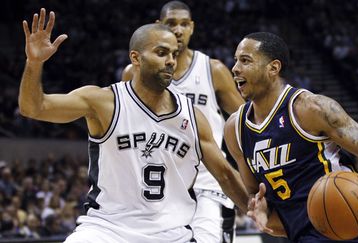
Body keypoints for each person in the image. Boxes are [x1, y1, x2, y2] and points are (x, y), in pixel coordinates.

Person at [19, 8, 248, 243]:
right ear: (136, 58)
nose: (170, 61)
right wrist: (34, 63)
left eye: (173, 54)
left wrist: (258, 214)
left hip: (172, 234)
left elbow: (225, 175)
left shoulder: (193, 116)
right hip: (106, 230)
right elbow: (33, 108)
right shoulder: (103, 102)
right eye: (161, 53)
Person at [224, 32, 358, 242]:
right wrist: (260, 211)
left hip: (356, 221)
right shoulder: (235, 129)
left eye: (245, 60)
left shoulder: (310, 108)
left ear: (273, 68)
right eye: (236, 60)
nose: (235, 68)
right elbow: (256, 194)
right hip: (305, 235)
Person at [122, 2, 245, 242]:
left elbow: (246, 121)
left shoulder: (213, 70)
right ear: (158, 26)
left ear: (192, 28)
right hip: (159, 187)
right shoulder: (134, 73)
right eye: (171, 24)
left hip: (207, 183)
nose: (178, 30)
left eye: (184, 24)